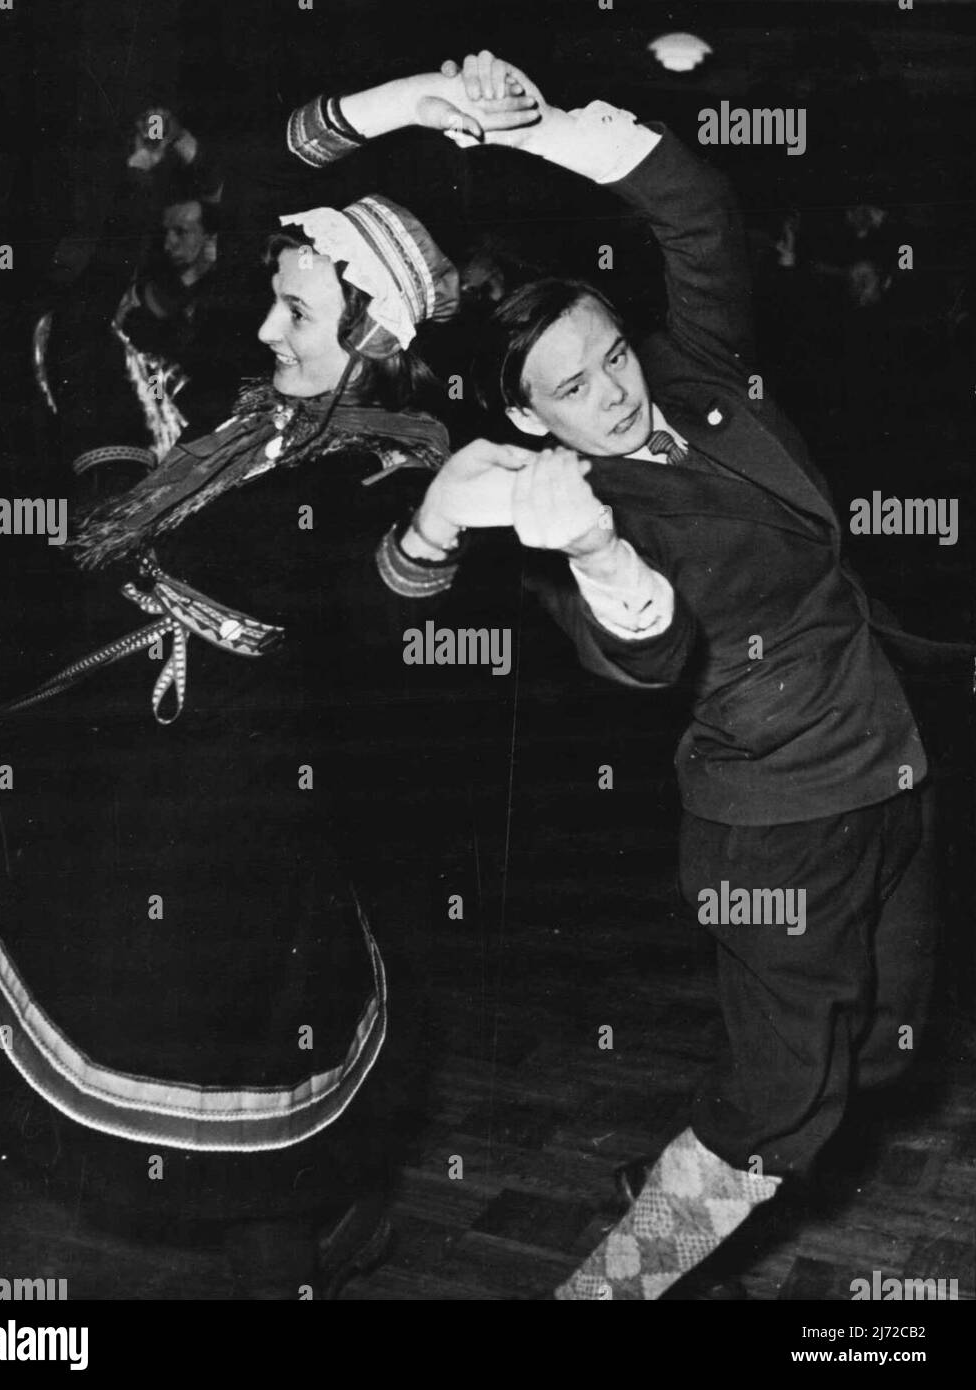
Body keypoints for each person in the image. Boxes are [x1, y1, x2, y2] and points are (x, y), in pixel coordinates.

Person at [0, 64, 540, 1300]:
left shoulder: (385, 466)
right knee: (234, 1051)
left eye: (300, 316)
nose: (270, 328)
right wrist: (401, 101)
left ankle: (301, 1257)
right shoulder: (267, 412)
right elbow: (217, 228)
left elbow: (379, 596)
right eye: (275, 300)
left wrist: (435, 537)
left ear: (373, 337)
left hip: (227, 811)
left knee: (232, 1060)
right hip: (161, 762)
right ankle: (319, 1239)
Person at [410, 52, 961, 1301]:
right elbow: (648, 655)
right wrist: (595, 544)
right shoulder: (572, 521)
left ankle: (699, 1168)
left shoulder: (700, 383)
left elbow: (699, 218)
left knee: (883, 1048)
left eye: (611, 355)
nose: (612, 391)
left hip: (888, 765)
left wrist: (542, 124)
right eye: (571, 389)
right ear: (531, 421)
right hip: (778, 829)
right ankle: (613, 1281)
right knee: (786, 1104)